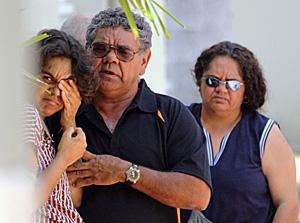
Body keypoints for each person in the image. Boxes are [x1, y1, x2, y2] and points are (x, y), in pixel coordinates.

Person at [46, 7, 212, 223]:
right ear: (87, 53)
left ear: (144, 61)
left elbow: (198, 195)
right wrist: (68, 122)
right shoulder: (64, 112)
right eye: (100, 49)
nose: (110, 59)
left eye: (123, 52)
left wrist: (125, 172)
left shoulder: (170, 114)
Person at [189, 41, 299, 223]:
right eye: (212, 81)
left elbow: (288, 204)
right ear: (200, 82)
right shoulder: (180, 123)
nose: (221, 89)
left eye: (232, 84)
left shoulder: (264, 133)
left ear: (246, 89)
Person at [24, 29, 95, 222]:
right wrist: (63, 158)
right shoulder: (26, 115)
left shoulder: (46, 126)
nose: (56, 92)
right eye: (47, 78)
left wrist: (69, 121)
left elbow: (73, 197)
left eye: (67, 84)